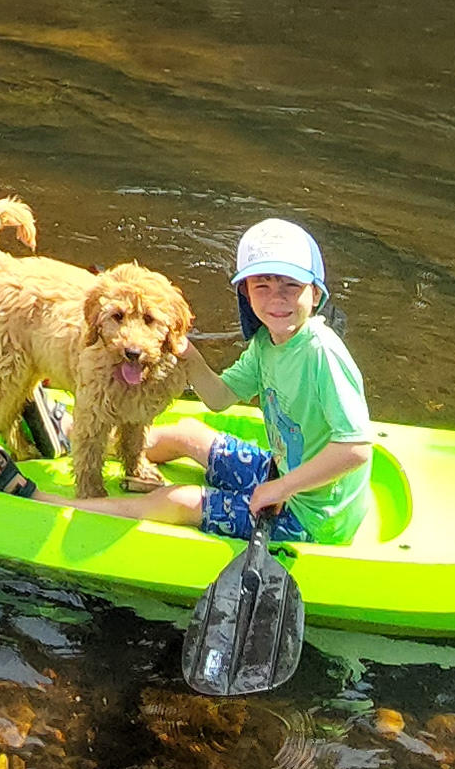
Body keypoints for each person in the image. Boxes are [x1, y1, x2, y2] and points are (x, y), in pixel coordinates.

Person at [126, 216, 375, 546]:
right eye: (263, 286)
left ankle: (60, 505)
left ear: (315, 294)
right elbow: (219, 397)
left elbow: (355, 448)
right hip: (283, 475)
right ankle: (74, 435)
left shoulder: (322, 354)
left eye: (291, 286)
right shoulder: (265, 343)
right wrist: (189, 356)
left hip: (315, 517)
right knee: (187, 433)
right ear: (246, 292)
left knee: (180, 500)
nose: (277, 299)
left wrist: (280, 488)